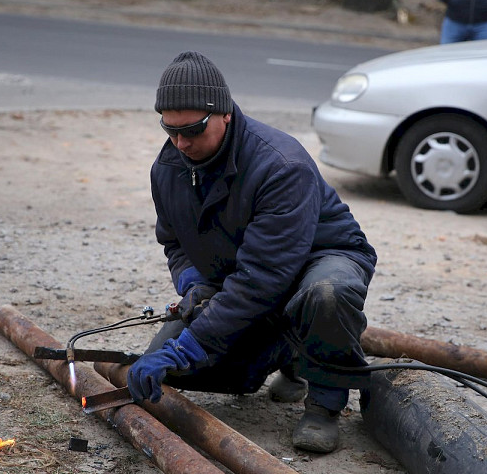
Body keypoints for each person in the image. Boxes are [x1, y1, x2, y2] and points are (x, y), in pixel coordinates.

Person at [126, 51, 377, 454]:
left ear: (224, 114)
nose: (180, 142)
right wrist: (192, 284)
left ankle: (325, 402)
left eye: (192, 129)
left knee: (326, 295)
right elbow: (173, 241)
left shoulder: (280, 165)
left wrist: (191, 343)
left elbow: (264, 279)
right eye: (170, 130)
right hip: (250, 274)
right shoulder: (169, 167)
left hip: (321, 259)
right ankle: (288, 350)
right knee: (175, 371)